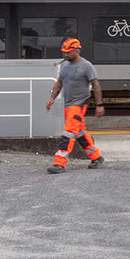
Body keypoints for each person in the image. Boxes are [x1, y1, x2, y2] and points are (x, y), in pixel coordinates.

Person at [45, 37, 105, 173]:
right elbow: (59, 82)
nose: (66, 54)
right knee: (79, 133)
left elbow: (96, 85)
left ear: (77, 50)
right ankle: (96, 157)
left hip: (79, 104)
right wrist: (52, 97)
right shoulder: (65, 65)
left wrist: (99, 104)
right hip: (68, 105)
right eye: (65, 52)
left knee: (68, 132)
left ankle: (59, 163)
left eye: (69, 52)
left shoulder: (86, 66)